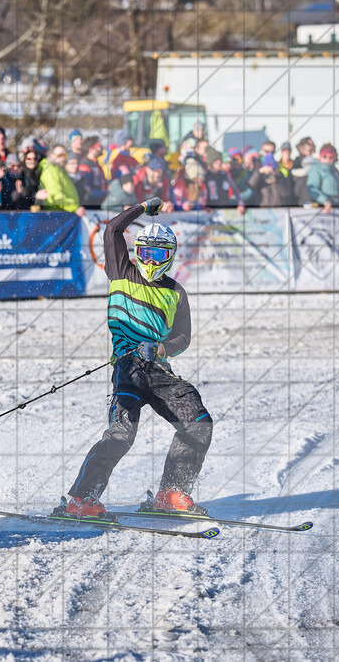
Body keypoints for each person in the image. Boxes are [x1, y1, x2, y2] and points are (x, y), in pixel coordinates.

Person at [64, 205, 212, 518]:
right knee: (120, 435)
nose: (149, 261)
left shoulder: (175, 292)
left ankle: (171, 493)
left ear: (169, 257)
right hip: (127, 369)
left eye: (158, 256)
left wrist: (160, 348)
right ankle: (81, 499)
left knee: (198, 424)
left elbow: (183, 337)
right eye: (144, 253)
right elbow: (113, 230)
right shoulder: (121, 271)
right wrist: (143, 208)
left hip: (159, 372)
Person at [36, 145, 85, 216]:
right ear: (52, 156)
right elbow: (55, 195)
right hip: (53, 214)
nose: (63, 158)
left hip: (62, 212)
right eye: (60, 155)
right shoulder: (50, 170)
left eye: (64, 155)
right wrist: (75, 208)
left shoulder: (59, 169)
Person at [306, 144, 339, 211]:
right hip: (324, 207)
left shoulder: (335, 170)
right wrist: (325, 201)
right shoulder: (316, 169)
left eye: (330, 157)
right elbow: (312, 189)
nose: (327, 159)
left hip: (338, 205)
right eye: (324, 156)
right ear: (320, 156)